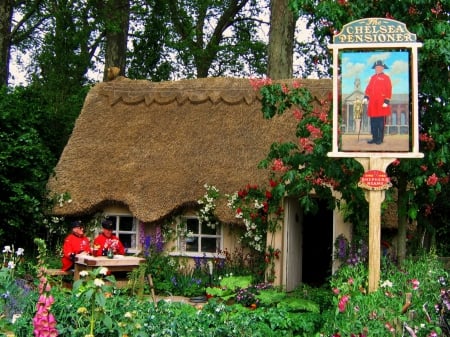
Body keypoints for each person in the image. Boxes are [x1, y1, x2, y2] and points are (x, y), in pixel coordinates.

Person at [363, 60, 392, 145]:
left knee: (380, 123)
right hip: (372, 104)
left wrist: (386, 101)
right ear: (375, 68)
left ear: (383, 68)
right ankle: (374, 138)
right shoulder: (372, 78)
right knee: (373, 123)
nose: (378, 69)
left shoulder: (386, 78)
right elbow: (368, 89)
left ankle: (380, 139)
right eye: (376, 67)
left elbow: (389, 89)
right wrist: (366, 97)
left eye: (379, 67)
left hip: (381, 103)